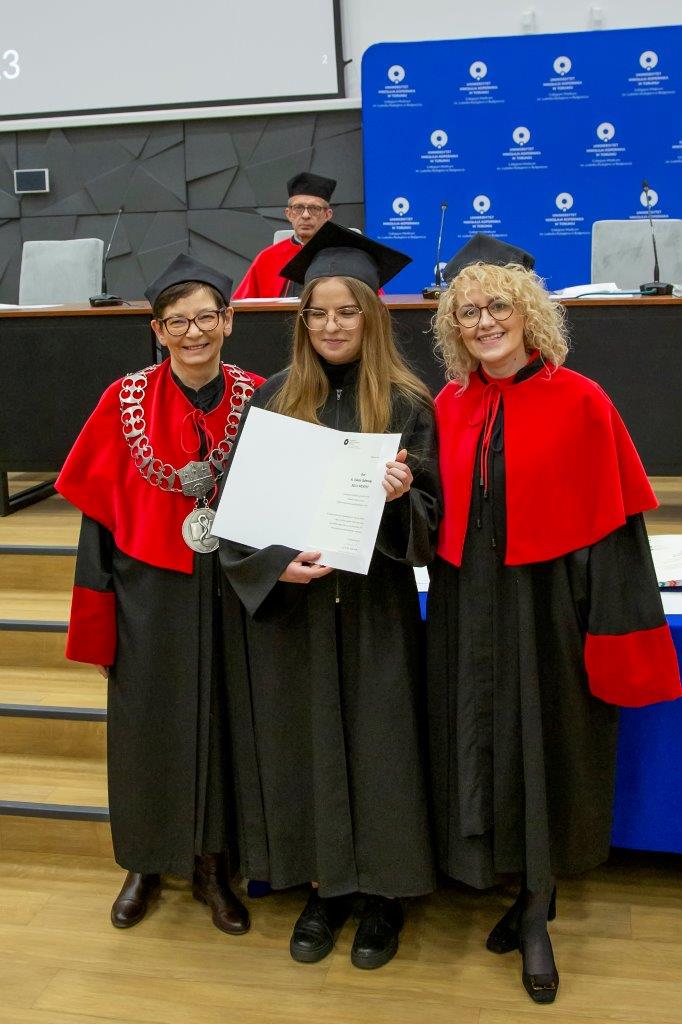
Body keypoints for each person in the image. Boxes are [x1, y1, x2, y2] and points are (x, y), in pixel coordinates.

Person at [427, 236, 681, 1004]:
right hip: (468, 609)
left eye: (498, 306)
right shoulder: (449, 405)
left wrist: (609, 625)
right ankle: (510, 884)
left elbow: (616, 530)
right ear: (453, 327)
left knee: (544, 750)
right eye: (468, 312)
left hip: (550, 610)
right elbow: (436, 510)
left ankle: (538, 908)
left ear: (529, 313)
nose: (484, 321)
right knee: (484, 750)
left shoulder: (581, 400)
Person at [219, 222, 440, 969]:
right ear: (302, 320)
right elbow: (236, 519)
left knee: (381, 749)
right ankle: (324, 889)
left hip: (375, 610)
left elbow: (432, 524)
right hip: (300, 614)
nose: (332, 326)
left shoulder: (407, 404)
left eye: (347, 311)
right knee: (307, 748)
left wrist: (403, 498)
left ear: (371, 316)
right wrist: (273, 566)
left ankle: (383, 895)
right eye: (317, 312)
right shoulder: (275, 400)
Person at [56, 254, 264, 934]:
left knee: (223, 725)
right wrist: (98, 620)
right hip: (147, 592)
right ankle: (144, 862)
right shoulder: (123, 402)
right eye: (178, 322)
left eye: (206, 318)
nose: (193, 332)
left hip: (234, 588)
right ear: (158, 330)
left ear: (228, 321)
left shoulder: (259, 396)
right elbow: (97, 519)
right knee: (145, 728)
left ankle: (212, 866)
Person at [232, 171, 335, 299]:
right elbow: (242, 306)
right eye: (298, 208)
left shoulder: (342, 255)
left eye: (314, 208)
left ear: (327, 215)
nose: (305, 215)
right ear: (289, 214)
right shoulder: (267, 258)